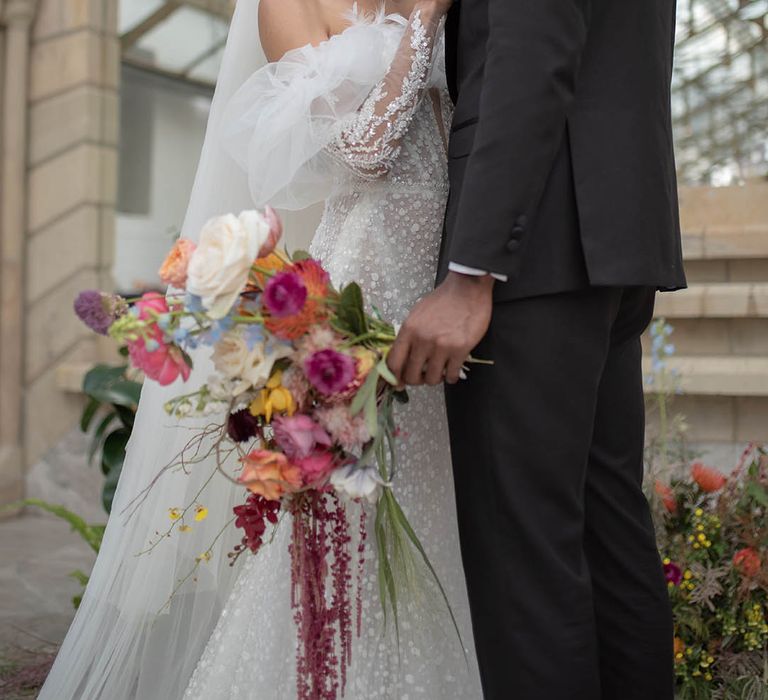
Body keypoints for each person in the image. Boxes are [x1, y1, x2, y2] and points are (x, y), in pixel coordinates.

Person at [39, 1, 484, 698]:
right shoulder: (288, 4)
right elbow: (361, 153)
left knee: (444, 502)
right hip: (370, 272)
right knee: (354, 513)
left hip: (445, 261)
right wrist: (424, 17)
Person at [387, 1, 686, 698]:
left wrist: (472, 272)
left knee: (523, 563)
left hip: (538, 248)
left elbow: (531, 53)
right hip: (607, 232)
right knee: (606, 535)